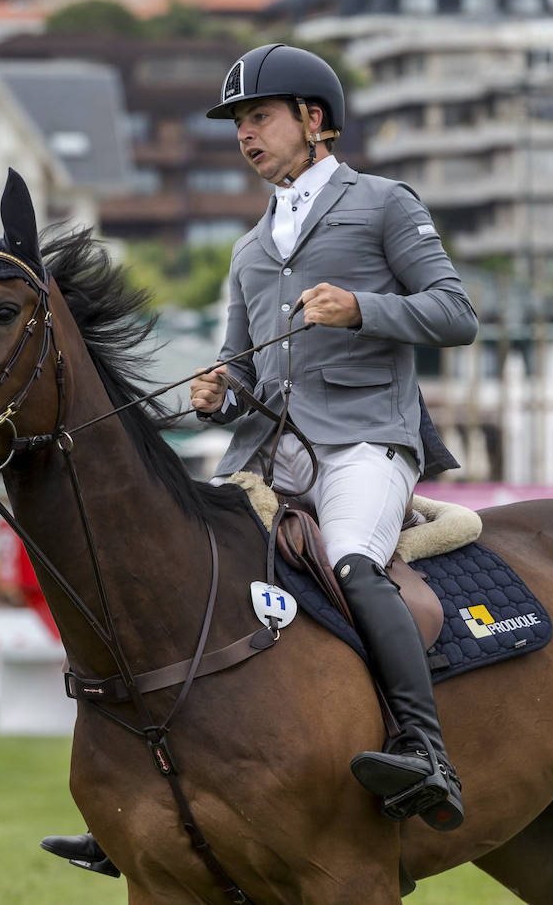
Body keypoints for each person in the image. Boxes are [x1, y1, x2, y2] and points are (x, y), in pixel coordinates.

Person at [43, 43, 478, 872]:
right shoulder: (249, 250)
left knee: (353, 563)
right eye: (239, 122)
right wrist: (222, 391)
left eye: (260, 117)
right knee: (176, 572)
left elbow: (456, 312)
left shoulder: (383, 204)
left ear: (314, 122)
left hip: (364, 442)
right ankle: (140, 799)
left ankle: (426, 752)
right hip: (268, 458)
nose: (245, 134)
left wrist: (363, 309)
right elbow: (246, 370)